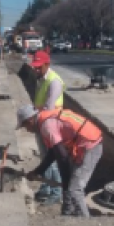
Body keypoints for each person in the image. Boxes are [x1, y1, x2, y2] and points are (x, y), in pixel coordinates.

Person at [16, 104, 103, 218]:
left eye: (25, 126)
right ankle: (68, 213)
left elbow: (62, 157)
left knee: (74, 189)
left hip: (90, 146)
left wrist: (66, 183)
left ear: (30, 120)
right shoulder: (45, 120)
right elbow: (53, 153)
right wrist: (37, 172)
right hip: (84, 144)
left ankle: (85, 222)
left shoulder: (47, 126)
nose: (27, 130)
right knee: (71, 186)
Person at [29, 50, 65, 205]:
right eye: (35, 67)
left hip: (51, 125)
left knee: (52, 160)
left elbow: (49, 106)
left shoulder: (54, 81)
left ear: (47, 64)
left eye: (39, 67)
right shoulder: (42, 79)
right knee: (45, 158)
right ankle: (46, 186)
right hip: (42, 123)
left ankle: (56, 192)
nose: (36, 70)